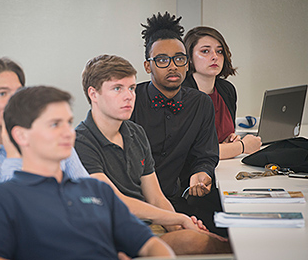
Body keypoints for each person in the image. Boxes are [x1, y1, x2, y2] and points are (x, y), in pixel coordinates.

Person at [0, 85, 175, 260]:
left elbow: (148, 244)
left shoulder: (98, 191)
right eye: (54, 124)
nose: (68, 132)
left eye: (68, 122)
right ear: (21, 136)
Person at [75, 54, 231, 255]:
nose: (128, 96)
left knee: (217, 241)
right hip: (112, 234)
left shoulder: (135, 133)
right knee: (202, 244)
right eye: (117, 89)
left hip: (148, 229)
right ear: (93, 94)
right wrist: (179, 219)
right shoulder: (80, 141)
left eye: (131, 88)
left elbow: (156, 198)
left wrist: (181, 227)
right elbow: (115, 201)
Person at [0, 56, 88, 220]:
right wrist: (14, 156)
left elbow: (89, 197)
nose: (16, 101)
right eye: (2, 93)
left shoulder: (53, 139)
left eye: (19, 92)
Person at [130, 12, 224, 235]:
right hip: (136, 204)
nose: (172, 66)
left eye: (179, 58)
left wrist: (202, 173)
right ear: (147, 66)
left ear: (187, 63)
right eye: (162, 59)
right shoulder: (131, 100)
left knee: (230, 233)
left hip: (178, 199)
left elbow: (205, 155)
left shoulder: (200, 103)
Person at [183, 26, 262, 159]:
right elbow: (197, 152)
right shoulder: (182, 95)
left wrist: (230, 141)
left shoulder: (227, 90)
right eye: (205, 51)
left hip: (224, 168)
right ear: (189, 57)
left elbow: (220, 139)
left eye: (219, 51)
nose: (214, 57)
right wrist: (242, 146)